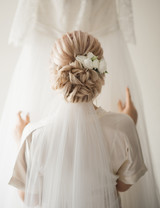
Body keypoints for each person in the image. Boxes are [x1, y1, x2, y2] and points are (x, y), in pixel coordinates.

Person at [8, 31, 147, 208]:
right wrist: (129, 123)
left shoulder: (34, 135)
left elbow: (31, 198)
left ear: (54, 77)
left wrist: (21, 138)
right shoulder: (123, 126)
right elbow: (122, 186)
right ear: (100, 75)